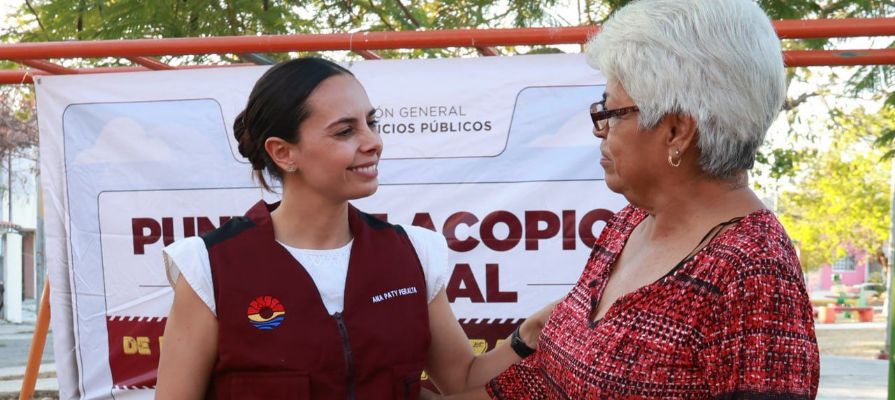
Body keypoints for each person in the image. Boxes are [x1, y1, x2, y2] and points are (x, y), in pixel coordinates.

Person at [432, 0, 821, 399]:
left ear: (677, 131)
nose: (600, 129)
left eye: (613, 112)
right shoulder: (629, 225)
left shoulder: (754, 273)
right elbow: (547, 383)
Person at [155, 57, 552, 399]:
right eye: (345, 131)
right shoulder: (210, 266)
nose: (373, 142)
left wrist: (529, 336)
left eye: (371, 122)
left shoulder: (413, 253)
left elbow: (463, 380)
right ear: (283, 152)